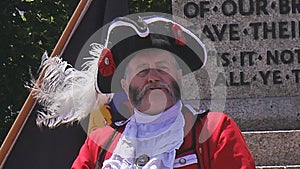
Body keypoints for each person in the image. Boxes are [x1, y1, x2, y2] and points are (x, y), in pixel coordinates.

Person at [70, 14, 256, 169]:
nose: (153, 77)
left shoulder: (215, 131)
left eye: (162, 67)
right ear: (125, 86)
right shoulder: (99, 143)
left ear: (178, 75)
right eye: (142, 70)